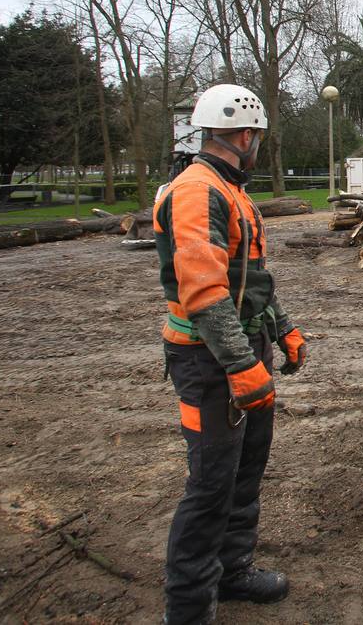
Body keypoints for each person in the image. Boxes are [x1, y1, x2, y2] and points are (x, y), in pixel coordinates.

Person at [154, 84, 308, 625]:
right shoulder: (197, 191)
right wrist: (242, 366)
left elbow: (249, 279)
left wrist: (283, 329)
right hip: (208, 360)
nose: (258, 146)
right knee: (211, 483)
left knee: (244, 469)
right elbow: (204, 290)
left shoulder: (229, 189)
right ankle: (190, 609)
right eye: (258, 138)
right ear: (245, 136)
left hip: (245, 347)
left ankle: (233, 569)